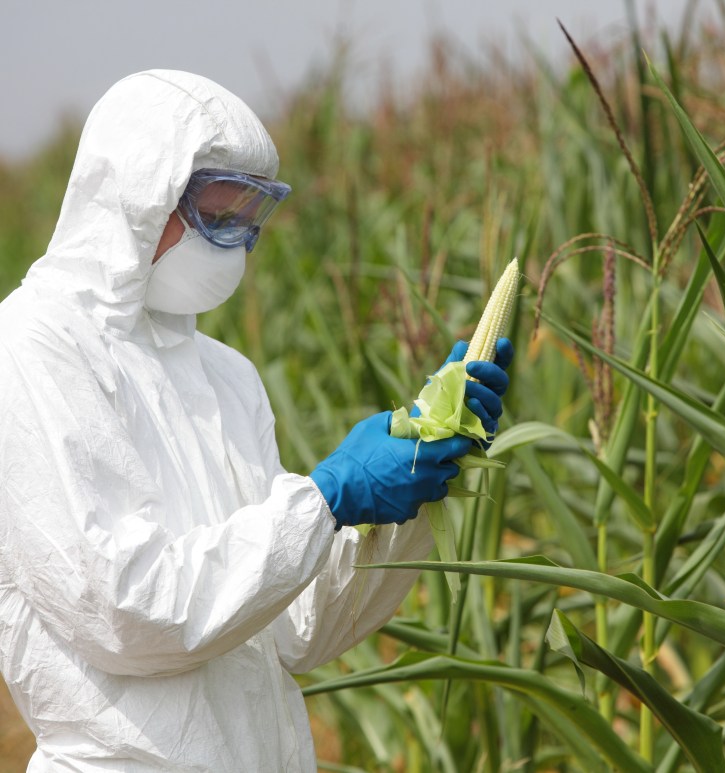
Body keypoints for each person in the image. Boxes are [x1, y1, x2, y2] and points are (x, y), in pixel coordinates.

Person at [0, 70, 512, 772]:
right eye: (219, 212)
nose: (237, 239)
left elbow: (292, 629)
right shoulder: (32, 345)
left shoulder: (225, 374)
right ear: (139, 196)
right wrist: (325, 496)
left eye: (252, 215)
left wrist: (405, 491)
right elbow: (124, 608)